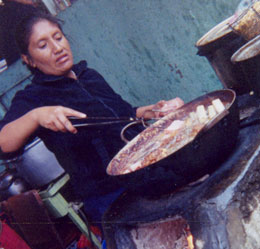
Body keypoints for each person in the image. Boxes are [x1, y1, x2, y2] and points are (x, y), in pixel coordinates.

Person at [0, 11, 184, 220]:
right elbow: (3, 142)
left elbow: (124, 113)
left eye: (58, 37)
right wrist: (36, 116)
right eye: (43, 46)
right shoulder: (35, 97)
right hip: (112, 195)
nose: (57, 48)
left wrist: (152, 110)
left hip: (146, 169)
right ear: (29, 60)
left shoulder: (89, 75)